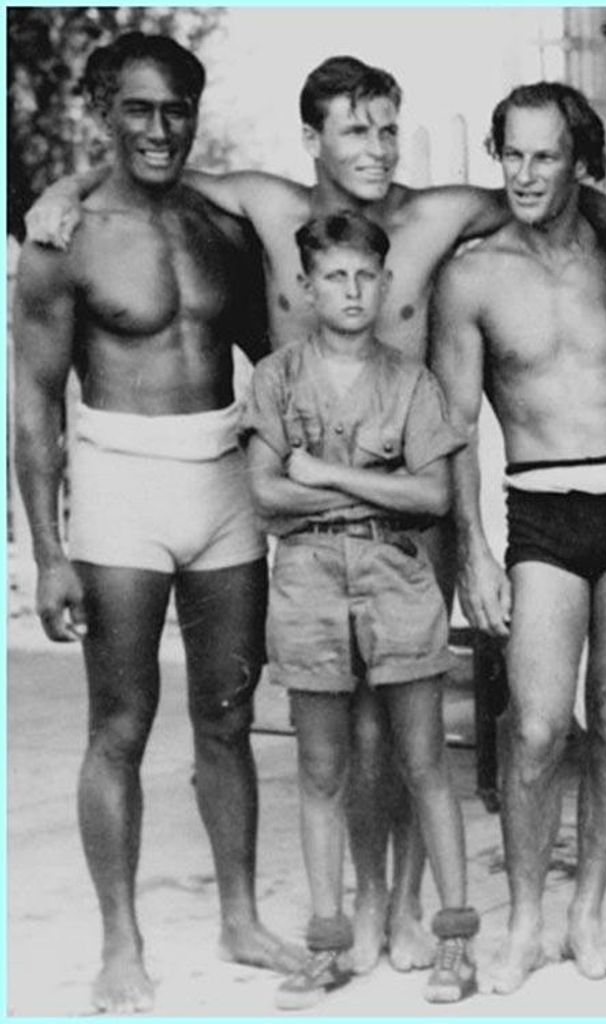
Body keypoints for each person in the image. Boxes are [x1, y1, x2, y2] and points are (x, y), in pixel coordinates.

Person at [25, 54, 606, 974]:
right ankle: (363, 903)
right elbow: (152, 165)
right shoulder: (267, 206)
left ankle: (407, 906)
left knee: (409, 724)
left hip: (409, 507)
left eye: (386, 128)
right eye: (354, 130)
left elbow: (551, 188)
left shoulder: (437, 215)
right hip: (304, 518)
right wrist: (63, 187)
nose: (376, 148)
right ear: (312, 139)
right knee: (340, 729)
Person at [12, 32, 303, 1015]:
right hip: (120, 490)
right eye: (137, 108)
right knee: (120, 725)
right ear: (104, 111)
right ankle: (120, 944)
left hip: (220, 484)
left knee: (227, 716)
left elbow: (275, 362)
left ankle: (239, 917)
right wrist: (48, 552)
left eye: (176, 109)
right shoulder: (63, 238)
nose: (159, 128)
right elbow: (33, 403)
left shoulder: (222, 226)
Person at [431, 81, 606, 996]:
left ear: (579, 162)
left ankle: (587, 908)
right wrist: (472, 550)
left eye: (544, 156)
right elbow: (456, 428)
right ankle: (524, 922)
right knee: (540, 726)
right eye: (511, 153)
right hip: (542, 514)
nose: (523, 173)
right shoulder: (472, 275)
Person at [243, 210, 480, 1007]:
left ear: (384, 285)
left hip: (396, 576)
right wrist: (368, 489)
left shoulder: (411, 382)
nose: (351, 291)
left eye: (364, 277)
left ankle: (454, 938)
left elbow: (433, 494)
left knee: (425, 761)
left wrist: (325, 475)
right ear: (306, 288)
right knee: (320, 769)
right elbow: (265, 492)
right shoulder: (278, 377)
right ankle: (327, 943)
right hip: (307, 581)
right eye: (334, 277)